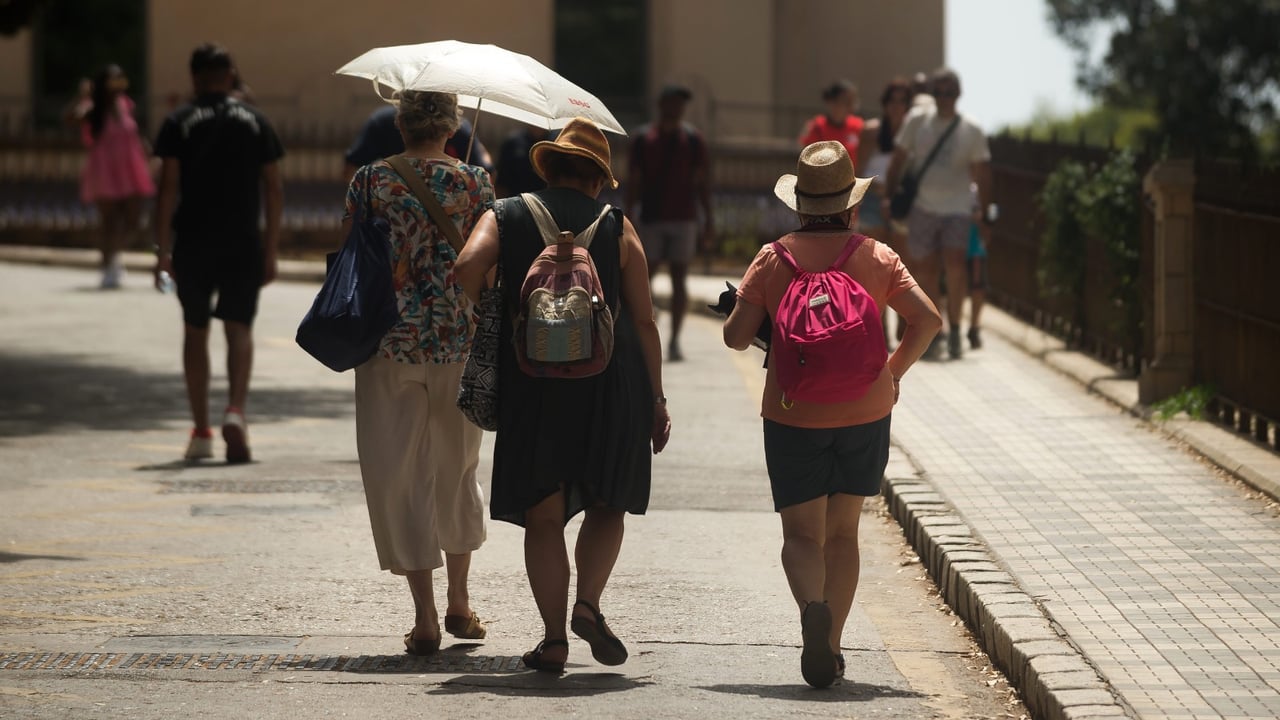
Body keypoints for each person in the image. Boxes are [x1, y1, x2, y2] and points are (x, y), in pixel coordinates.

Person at [456, 117, 671, 674]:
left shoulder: (504, 213)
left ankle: (553, 639)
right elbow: (644, 321)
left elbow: (464, 268)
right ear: (599, 179)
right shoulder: (618, 226)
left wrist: (494, 305)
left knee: (544, 514)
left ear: (547, 167)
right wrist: (657, 400)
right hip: (611, 380)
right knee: (608, 500)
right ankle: (589, 604)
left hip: (534, 382)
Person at [722, 140, 941, 688]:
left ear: (799, 203)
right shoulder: (875, 254)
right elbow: (928, 320)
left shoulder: (774, 256)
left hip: (794, 411)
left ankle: (810, 613)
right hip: (866, 411)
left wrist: (752, 309)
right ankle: (834, 646)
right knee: (843, 534)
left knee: (801, 535)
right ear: (851, 204)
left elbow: (735, 337)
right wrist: (891, 374)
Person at [342, 90, 495, 657]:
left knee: (400, 473)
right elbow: (488, 261)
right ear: (453, 126)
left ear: (399, 125)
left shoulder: (370, 181)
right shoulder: (478, 183)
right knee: (457, 469)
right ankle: (460, 600)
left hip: (388, 344)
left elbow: (350, 253)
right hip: (459, 342)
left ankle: (425, 616)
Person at [152, 44, 284, 463]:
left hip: (193, 241)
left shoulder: (179, 121)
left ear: (194, 77)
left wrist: (161, 249)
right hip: (243, 240)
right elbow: (274, 188)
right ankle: (236, 412)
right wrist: (271, 248)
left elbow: (167, 188)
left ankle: (201, 431)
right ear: (230, 74)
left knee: (195, 331)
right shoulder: (256, 121)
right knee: (238, 327)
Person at [883, 68, 993, 360]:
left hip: (957, 208)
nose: (944, 98)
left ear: (958, 94)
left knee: (956, 266)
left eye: (950, 92)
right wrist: (889, 196)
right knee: (925, 270)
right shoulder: (917, 121)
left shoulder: (971, 128)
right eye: (939, 92)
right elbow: (898, 160)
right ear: (933, 94)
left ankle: (956, 328)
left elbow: (982, 173)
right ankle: (937, 330)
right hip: (923, 207)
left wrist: (983, 211)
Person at [626, 84, 713, 362]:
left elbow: (702, 182)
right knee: (643, 277)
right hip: (651, 217)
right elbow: (633, 181)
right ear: (662, 105)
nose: (677, 109)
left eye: (681, 104)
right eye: (672, 103)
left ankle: (674, 339)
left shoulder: (693, 140)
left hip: (683, 217)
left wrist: (707, 219)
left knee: (679, 278)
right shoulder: (643, 139)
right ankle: (642, 331)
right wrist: (628, 219)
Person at [75, 64, 155, 289]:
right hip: (104, 169)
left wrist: (148, 155)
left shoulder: (126, 104)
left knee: (133, 218)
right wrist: (84, 97)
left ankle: (115, 254)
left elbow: (135, 133)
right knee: (109, 221)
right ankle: (109, 263)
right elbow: (72, 119)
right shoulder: (93, 108)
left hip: (130, 166)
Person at [855, 78, 914, 338]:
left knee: (902, 267)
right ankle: (878, 330)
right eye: (893, 100)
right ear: (885, 103)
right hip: (872, 201)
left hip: (902, 205)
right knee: (876, 268)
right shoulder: (871, 132)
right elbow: (858, 170)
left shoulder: (914, 134)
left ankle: (904, 327)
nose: (897, 106)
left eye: (903, 101)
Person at [343, 104, 492, 179]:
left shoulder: (371, 184)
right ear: (451, 129)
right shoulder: (477, 185)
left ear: (400, 123)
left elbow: (351, 166)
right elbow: (487, 170)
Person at [798, 80, 864, 165]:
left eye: (852, 101)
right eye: (846, 101)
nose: (851, 106)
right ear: (831, 102)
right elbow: (807, 157)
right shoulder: (816, 127)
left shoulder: (858, 125)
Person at [494, 125, 550, 198]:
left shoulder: (555, 143)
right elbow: (501, 182)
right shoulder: (513, 142)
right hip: (516, 201)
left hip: (546, 203)